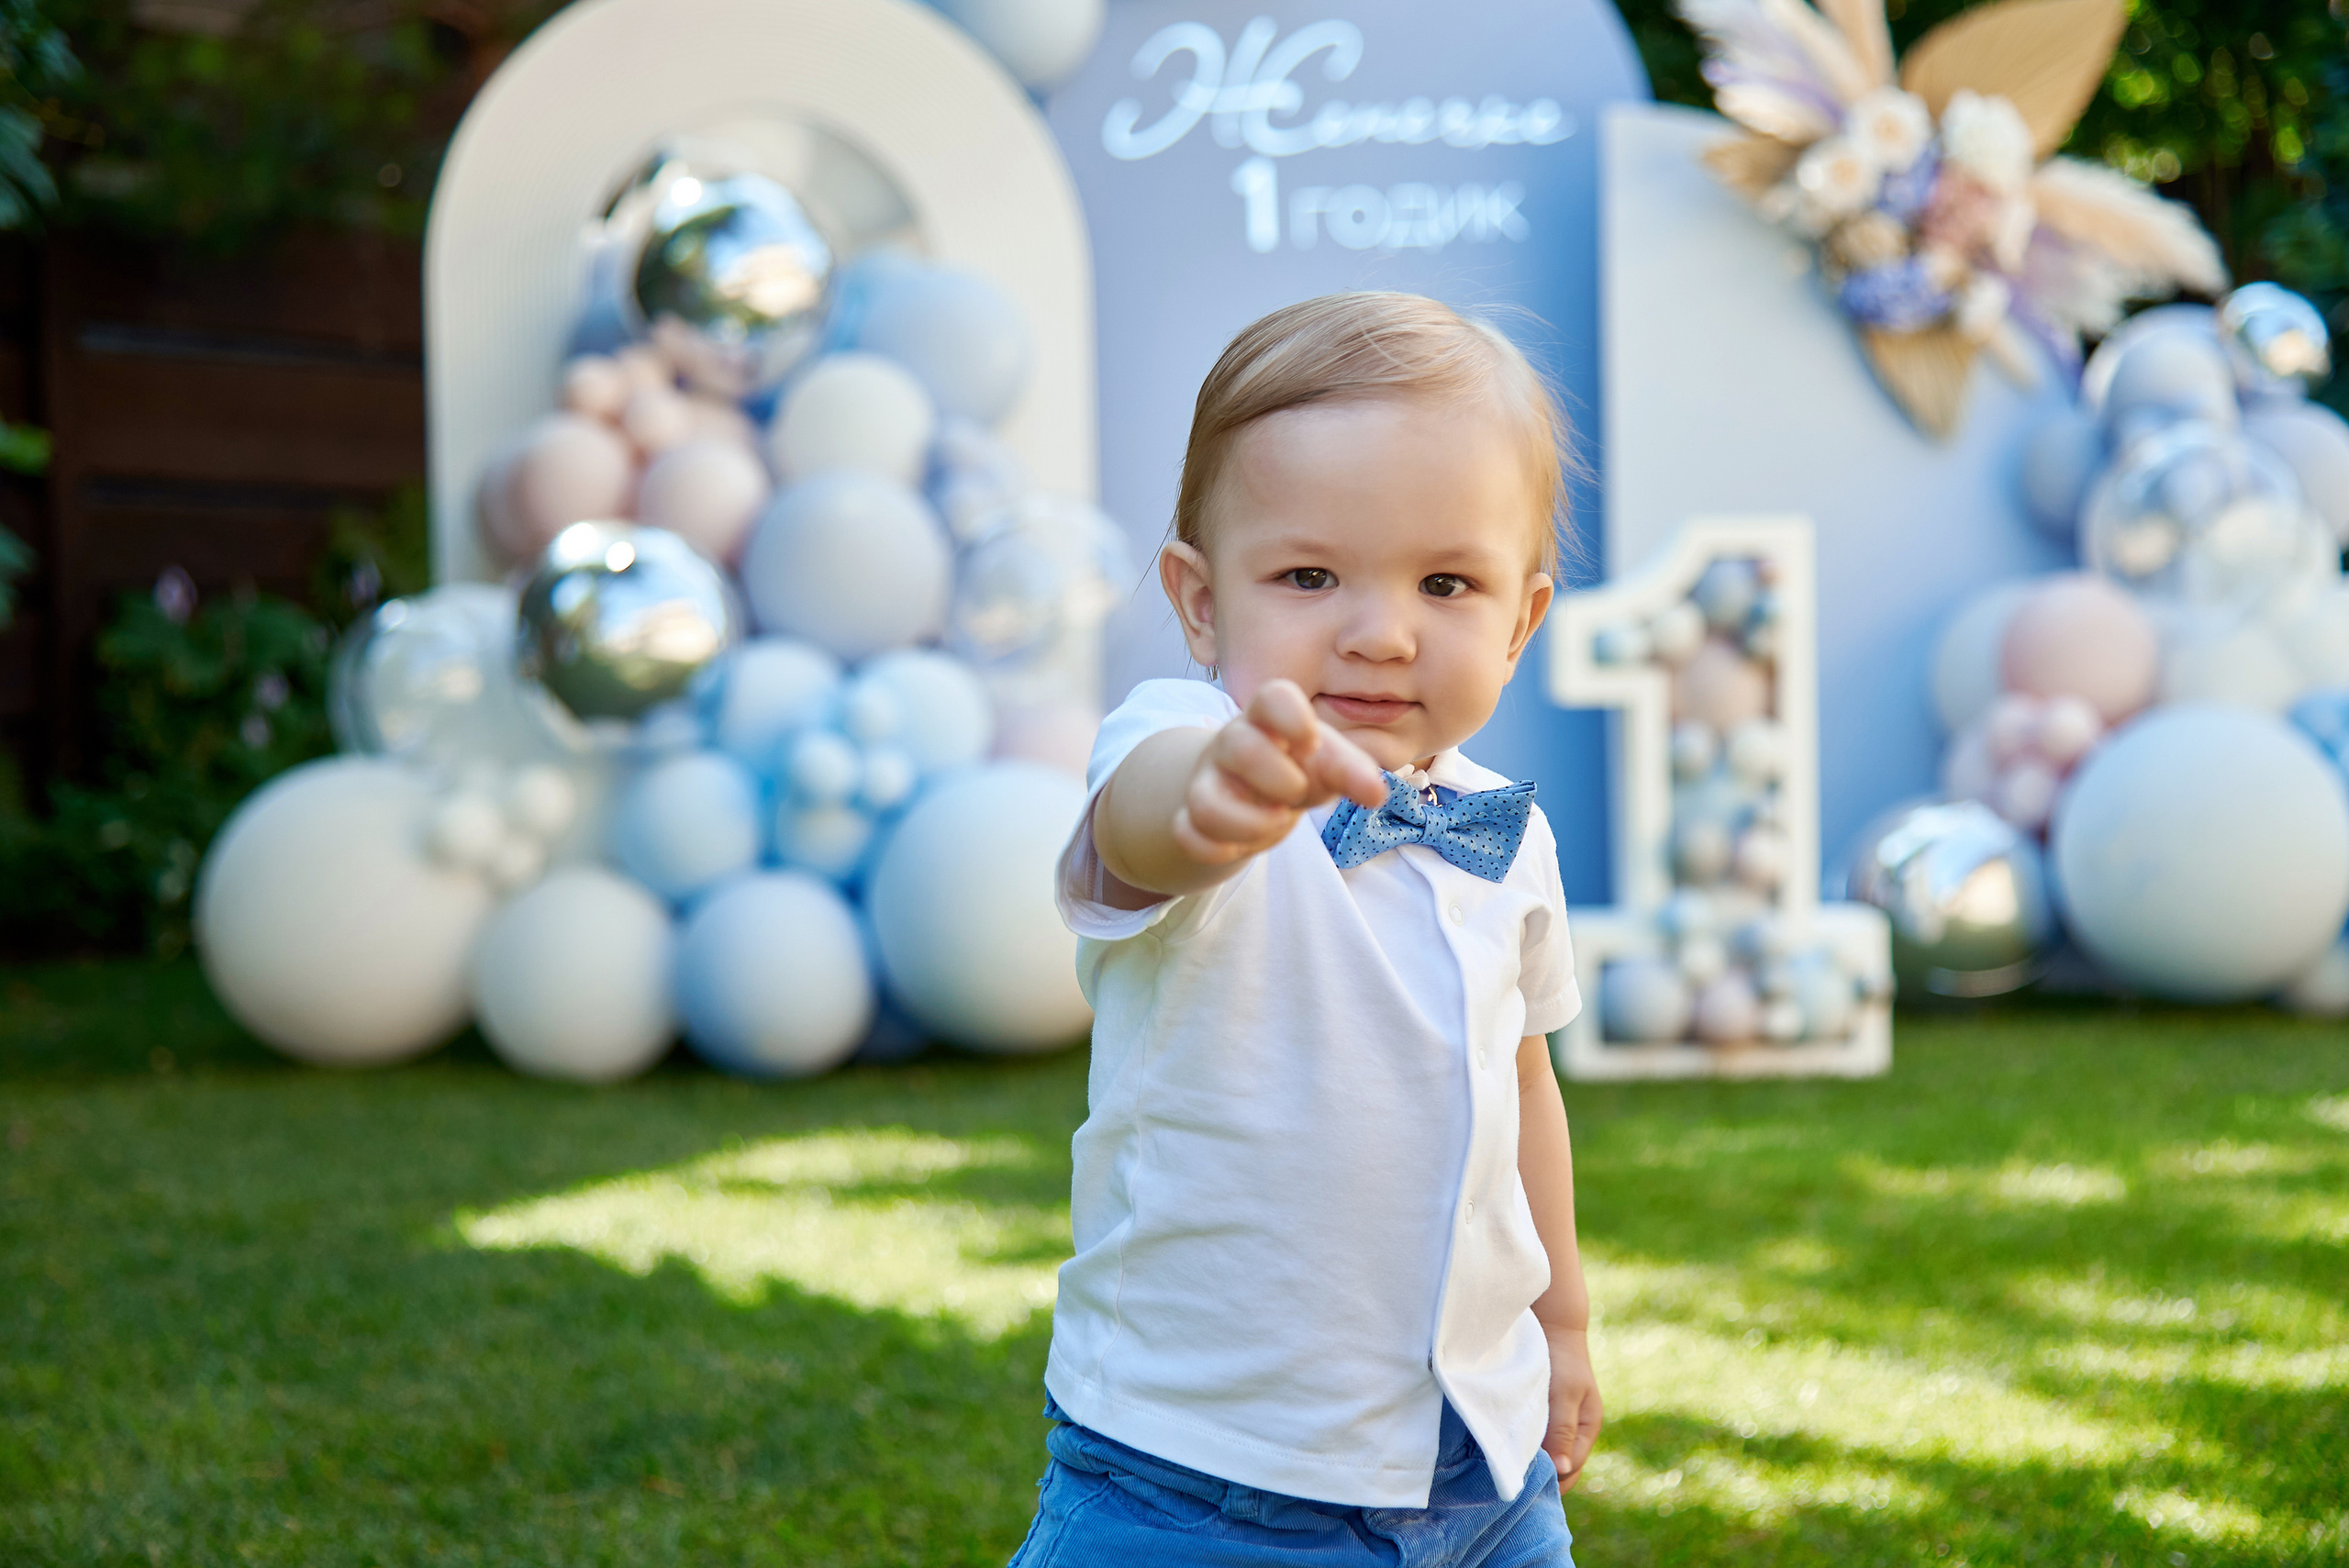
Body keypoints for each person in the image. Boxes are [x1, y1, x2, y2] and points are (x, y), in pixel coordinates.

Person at [1009, 292, 1601, 1568]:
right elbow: (1142, 825)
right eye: (1308, 575)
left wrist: (1562, 1318)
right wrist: (1218, 797)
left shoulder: (1511, 832)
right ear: (1202, 600)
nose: (1380, 630)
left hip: (1480, 1466)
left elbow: (1523, 1083)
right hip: (1204, 1474)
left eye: (1446, 581)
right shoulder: (1188, 752)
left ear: (1521, 619)